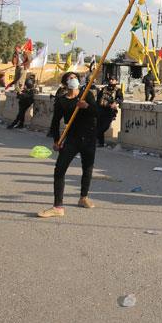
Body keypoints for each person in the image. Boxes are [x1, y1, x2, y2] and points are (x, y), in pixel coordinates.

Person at [38, 72, 99, 218]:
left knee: (87, 168)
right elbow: (55, 121)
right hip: (72, 138)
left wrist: (87, 106)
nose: (74, 80)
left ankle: (83, 197)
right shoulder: (61, 101)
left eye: (75, 78)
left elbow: (97, 113)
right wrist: (56, 140)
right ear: (65, 84)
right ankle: (58, 207)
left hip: (89, 138)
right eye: (70, 78)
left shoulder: (87, 95)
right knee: (59, 169)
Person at [95, 76, 124, 147]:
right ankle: (100, 143)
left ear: (116, 81)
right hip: (101, 110)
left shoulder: (117, 90)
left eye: (113, 79)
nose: (111, 81)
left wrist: (115, 102)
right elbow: (98, 99)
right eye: (110, 79)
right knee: (99, 126)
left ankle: (96, 139)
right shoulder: (104, 89)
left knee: (104, 127)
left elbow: (121, 99)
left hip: (109, 111)